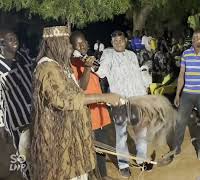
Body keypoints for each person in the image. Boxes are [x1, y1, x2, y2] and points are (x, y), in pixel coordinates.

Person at [30, 26, 122, 180]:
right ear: (55, 44)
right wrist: (103, 97)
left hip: (70, 138)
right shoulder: (47, 68)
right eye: (66, 43)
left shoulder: (60, 66)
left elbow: (78, 90)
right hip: (59, 143)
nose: (70, 48)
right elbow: (66, 100)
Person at [95, 30, 152, 178]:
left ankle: (141, 160)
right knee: (121, 135)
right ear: (111, 42)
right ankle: (124, 165)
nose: (118, 43)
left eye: (121, 40)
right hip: (119, 103)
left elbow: (139, 78)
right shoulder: (108, 55)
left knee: (141, 132)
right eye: (115, 41)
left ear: (126, 40)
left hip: (137, 100)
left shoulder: (132, 55)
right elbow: (101, 72)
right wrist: (93, 65)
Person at [70, 31, 112, 179]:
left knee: (102, 148)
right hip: (88, 115)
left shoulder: (87, 59)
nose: (82, 46)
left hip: (99, 111)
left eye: (84, 42)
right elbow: (81, 87)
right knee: (91, 150)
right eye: (78, 44)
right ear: (72, 46)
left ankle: (103, 175)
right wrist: (87, 68)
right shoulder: (73, 63)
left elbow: (101, 77)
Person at [0, 29, 34, 179]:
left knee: (40, 153)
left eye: (15, 37)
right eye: (9, 38)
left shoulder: (24, 56)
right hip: (17, 121)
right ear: (1, 43)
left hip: (35, 116)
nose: (14, 40)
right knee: (24, 157)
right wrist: (0, 125)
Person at [174, 29, 200, 160]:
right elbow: (181, 75)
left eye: (198, 38)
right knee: (180, 121)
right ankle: (176, 148)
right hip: (187, 94)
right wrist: (178, 94)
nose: (195, 40)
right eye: (194, 37)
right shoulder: (186, 53)